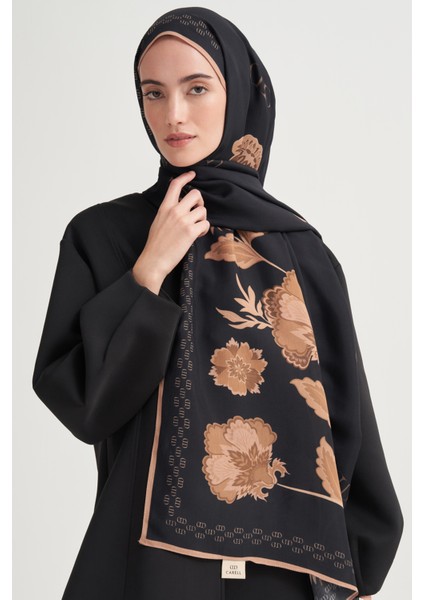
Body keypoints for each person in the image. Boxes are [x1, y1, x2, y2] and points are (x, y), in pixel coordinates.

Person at [32, 6, 403, 600]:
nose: (173, 115)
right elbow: (87, 406)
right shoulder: (103, 236)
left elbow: (347, 420)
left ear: (240, 96)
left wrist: (356, 565)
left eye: (197, 88)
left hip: (286, 577)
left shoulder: (303, 252)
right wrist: (150, 270)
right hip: (149, 568)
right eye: (154, 93)